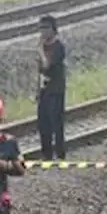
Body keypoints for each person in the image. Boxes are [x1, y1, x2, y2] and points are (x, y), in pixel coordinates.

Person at [37, 15, 67, 160]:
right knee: (43, 122)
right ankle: (46, 154)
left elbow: (47, 66)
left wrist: (41, 51)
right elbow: (40, 71)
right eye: (41, 28)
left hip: (56, 89)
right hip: (44, 89)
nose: (43, 32)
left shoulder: (58, 46)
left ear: (53, 29)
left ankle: (60, 153)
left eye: (46, 28)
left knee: (56, 122)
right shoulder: (43, 46)